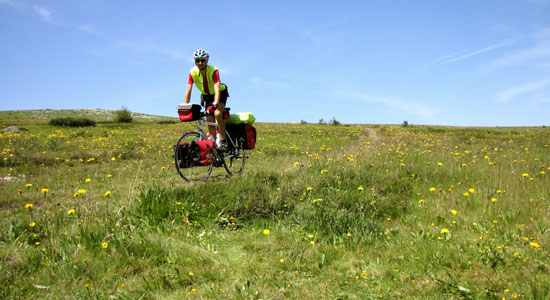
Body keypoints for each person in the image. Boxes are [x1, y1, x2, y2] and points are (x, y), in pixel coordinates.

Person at [184, 48, 229, 152]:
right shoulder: (192, 72)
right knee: (209, 119)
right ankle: (214, 146)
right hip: (207, 96)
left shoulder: (213, 70)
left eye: (202, 60)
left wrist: (216, 103)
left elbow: (217, 88)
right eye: (197, 60)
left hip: (220, 94)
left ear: (207, 60)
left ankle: (223, 141)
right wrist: (185, 106)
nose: (200, 63)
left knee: (217, 114)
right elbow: (188, 90)